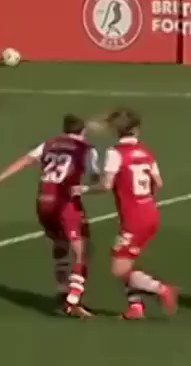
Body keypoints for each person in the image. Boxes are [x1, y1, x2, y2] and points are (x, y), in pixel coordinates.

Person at [0, 114, 99, 317]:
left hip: (43, 201)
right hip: (66, 204)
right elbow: (95, 176)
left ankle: (62, 289)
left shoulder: (48, 144)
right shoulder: (87, 149)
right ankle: (73, 300)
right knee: (82, 249)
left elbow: (24, 162)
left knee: (59, 243)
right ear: (82, 131)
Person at [97, 108, 178, 320]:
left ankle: (161, 289)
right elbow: (158, 183)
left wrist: (83, 189)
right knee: (126, 262)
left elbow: (106, 185)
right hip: (150, 213)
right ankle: (135, 307)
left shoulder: (115, 154)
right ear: (136, 130)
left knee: (118, 268)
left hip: (134, 220)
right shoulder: (146, 152)